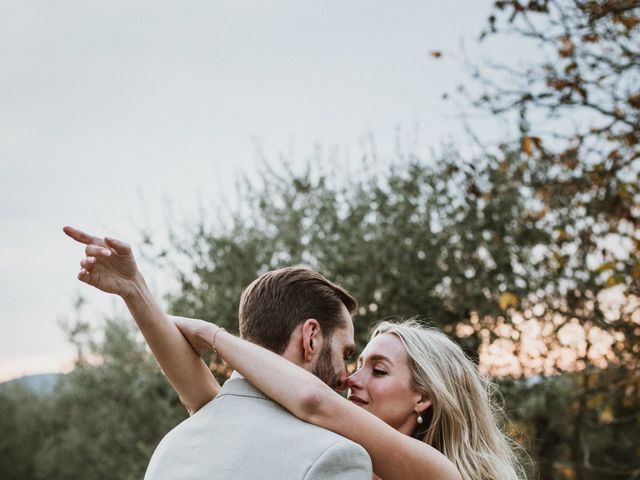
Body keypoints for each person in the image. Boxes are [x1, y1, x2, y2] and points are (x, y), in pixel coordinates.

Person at [63, 226, 372, 480]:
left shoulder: (173, 446)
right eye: (345, 353)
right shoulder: (333, 456)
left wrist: (134, 288)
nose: (347, 377)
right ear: (312, 338)